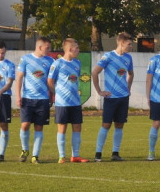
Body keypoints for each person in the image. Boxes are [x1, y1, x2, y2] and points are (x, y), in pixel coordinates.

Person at [92, 32, 134, 162]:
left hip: (123, 97)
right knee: (106, 124)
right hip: (111, 97)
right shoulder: (108, 56)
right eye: (129, 44)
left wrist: (128, 88)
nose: (131, 46)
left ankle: (115, 153)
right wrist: (99, 91)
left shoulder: (128, 58)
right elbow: (95, 72)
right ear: (121, 43)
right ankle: (98, 154)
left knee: (120, 125)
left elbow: (131, 74)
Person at [47, 38, 88, 163]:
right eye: (76, 48)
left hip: (75, 102)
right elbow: (50, 81)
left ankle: (75, 156)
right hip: (62, 103)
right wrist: (57, 94)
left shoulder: (77, 63)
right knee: (62, 128)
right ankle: (62, 156)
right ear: (70, 49)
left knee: (77, 127)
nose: (78, 50)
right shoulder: (57, 63)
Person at [16, 36, 54, 164]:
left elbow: (51, 81)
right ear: (40, 47)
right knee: (25, 125)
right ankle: (25, 149)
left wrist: (51, 96)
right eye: (47, 48)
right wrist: (18, 96)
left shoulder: (50, 61)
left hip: (43, 100)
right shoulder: (25, 59)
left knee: (39, 127)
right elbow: (19, 78)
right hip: (27, 99)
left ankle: (35, 156)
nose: (49, 50)